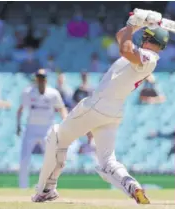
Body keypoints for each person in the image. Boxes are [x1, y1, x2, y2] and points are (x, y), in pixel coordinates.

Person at [31, 9, 166, 204]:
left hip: (97, 106)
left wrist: (133, 25)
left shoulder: (148, 58)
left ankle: (46, 189)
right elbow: (122, 37)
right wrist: (139, 22)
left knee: (57, 136)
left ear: (147, 39)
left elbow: (125, 49)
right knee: (107, 161)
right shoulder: (145, 55)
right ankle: (133, 186)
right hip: (113, 113)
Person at [17, 69, 68, 189]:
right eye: (39, 77)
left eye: (43, 77)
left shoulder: (53, 93)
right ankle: (23, 187)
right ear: (36, 79)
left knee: (51, 159)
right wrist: (18, 126)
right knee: (24, 159)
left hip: (47, 129)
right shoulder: (28, 92)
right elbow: (20, 109)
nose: (41, 80)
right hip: (31, 129)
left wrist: (65, 123)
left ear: (46, 79)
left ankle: (49, 186)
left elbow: (61, 108)